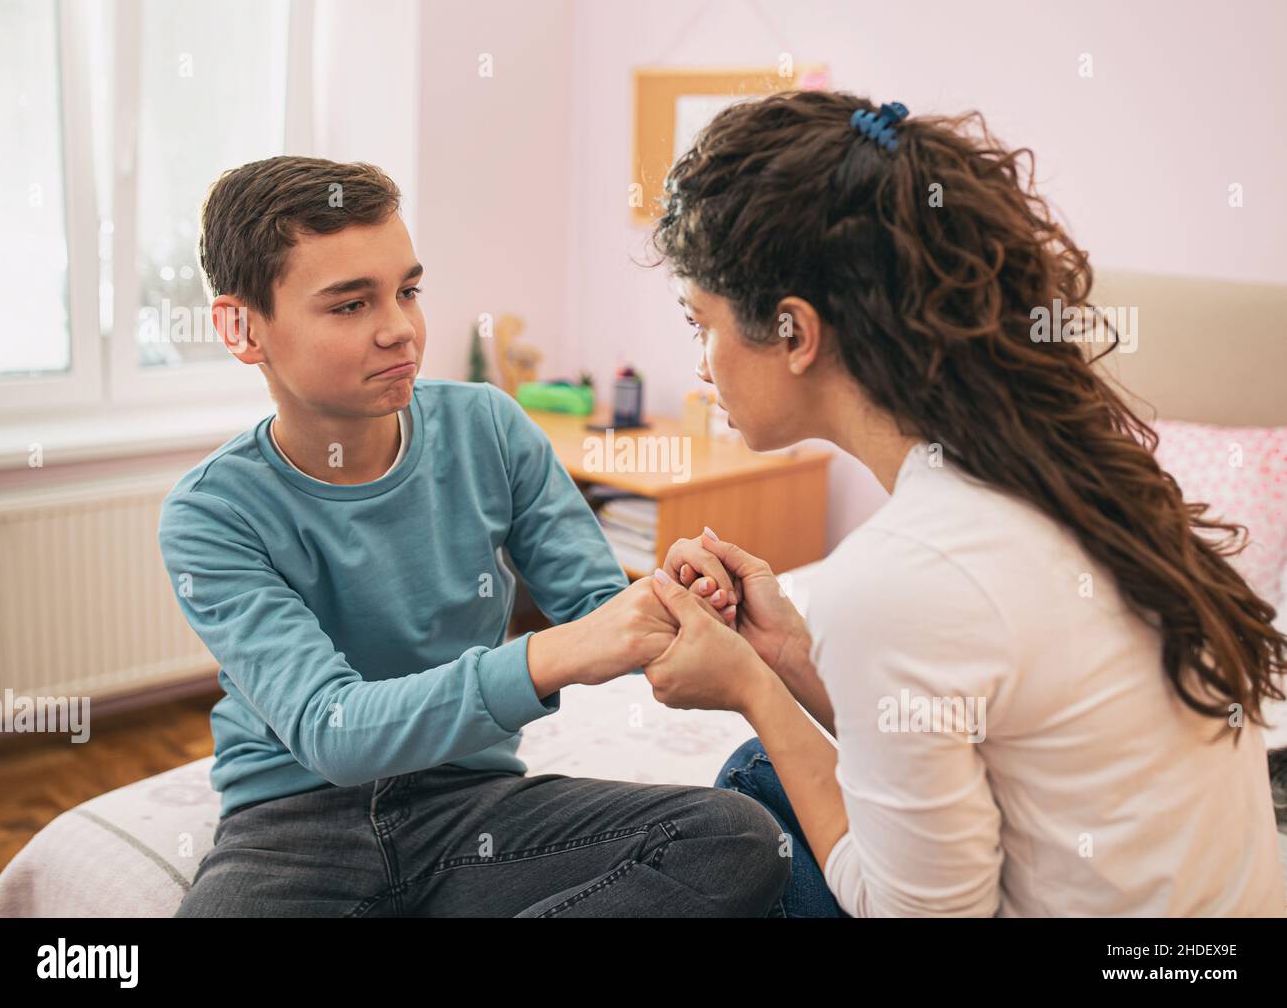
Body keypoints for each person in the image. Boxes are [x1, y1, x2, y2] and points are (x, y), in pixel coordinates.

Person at [647, 91, 1287, 917]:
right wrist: (788, 659)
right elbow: (980, 728)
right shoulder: (1077, 475)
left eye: (700, 322)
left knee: (747, 787)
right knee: (765, 777)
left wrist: (752, 690)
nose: (701, 364)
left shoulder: (899, 577)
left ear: (795, 332)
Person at [159, 154, 787, 917]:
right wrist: (558, 654)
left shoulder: (487, 426)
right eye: (350, 305)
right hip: (294, 828)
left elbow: (595, 606)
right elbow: (334, 730)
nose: (400, 329)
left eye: (408, 291)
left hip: (473, 809)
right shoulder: (212, 512)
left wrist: (677, 602)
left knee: (734, 838)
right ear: (241, 327)